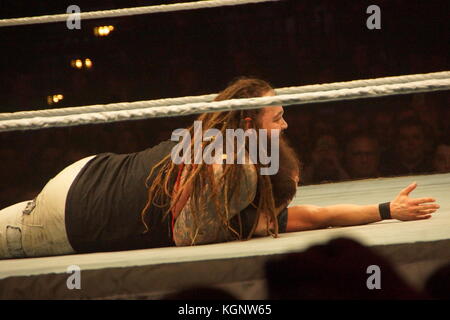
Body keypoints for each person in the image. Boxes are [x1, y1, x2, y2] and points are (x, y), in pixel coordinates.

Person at [0, 78, 440, 259]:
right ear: (249, 125)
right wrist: (255, 223)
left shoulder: (224, 148)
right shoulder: (232, 168)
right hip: (77, 214)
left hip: (92, 177)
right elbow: (186, 236)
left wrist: (385, 210)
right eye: (277, 119)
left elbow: (306, 217)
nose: (286, 125)